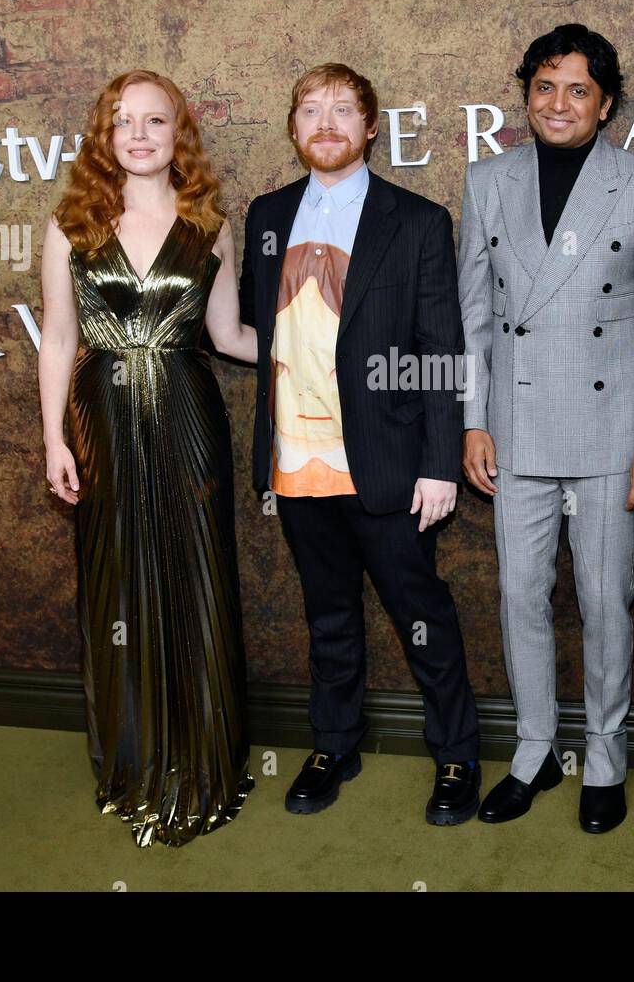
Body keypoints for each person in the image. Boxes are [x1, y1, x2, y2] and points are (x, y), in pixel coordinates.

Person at [237, 63, 482, 825]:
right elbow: (258, 328)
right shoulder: (268, 214)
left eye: (344, 108)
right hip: (295, 457)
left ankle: (456, 756)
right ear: (294, 125)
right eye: (311, 108)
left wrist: (441, 464)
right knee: (328, 613)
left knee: (422, 613)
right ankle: (334, 742)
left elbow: (442, 349)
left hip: (387, 462)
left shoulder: (416, 220)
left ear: (371, 127)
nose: (327, 121)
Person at [458, 24, 634, 833]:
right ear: (526, 93)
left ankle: (607, 754)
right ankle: (532, 751)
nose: (558, 103)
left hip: (607, 433)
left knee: (602, 599)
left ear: (607, 103)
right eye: (545, 85)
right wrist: (473, 421)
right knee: (520, 595)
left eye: (577, 89)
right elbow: (473, 318)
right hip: (514, 428)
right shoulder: (487, 180)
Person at [38, 69, 258, 847]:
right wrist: (53, 437)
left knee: (196, 575)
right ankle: (133, 760)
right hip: (101, 417)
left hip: (187, 415)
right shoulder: (72, 224)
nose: (138, 134)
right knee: (119, 582)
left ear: (178, 134)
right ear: (105, 136)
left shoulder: (213, 225)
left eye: (154, 121)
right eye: (122, 121)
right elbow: (61, 339)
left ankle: (204, 759)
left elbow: (229, 337)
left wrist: (323, 351)